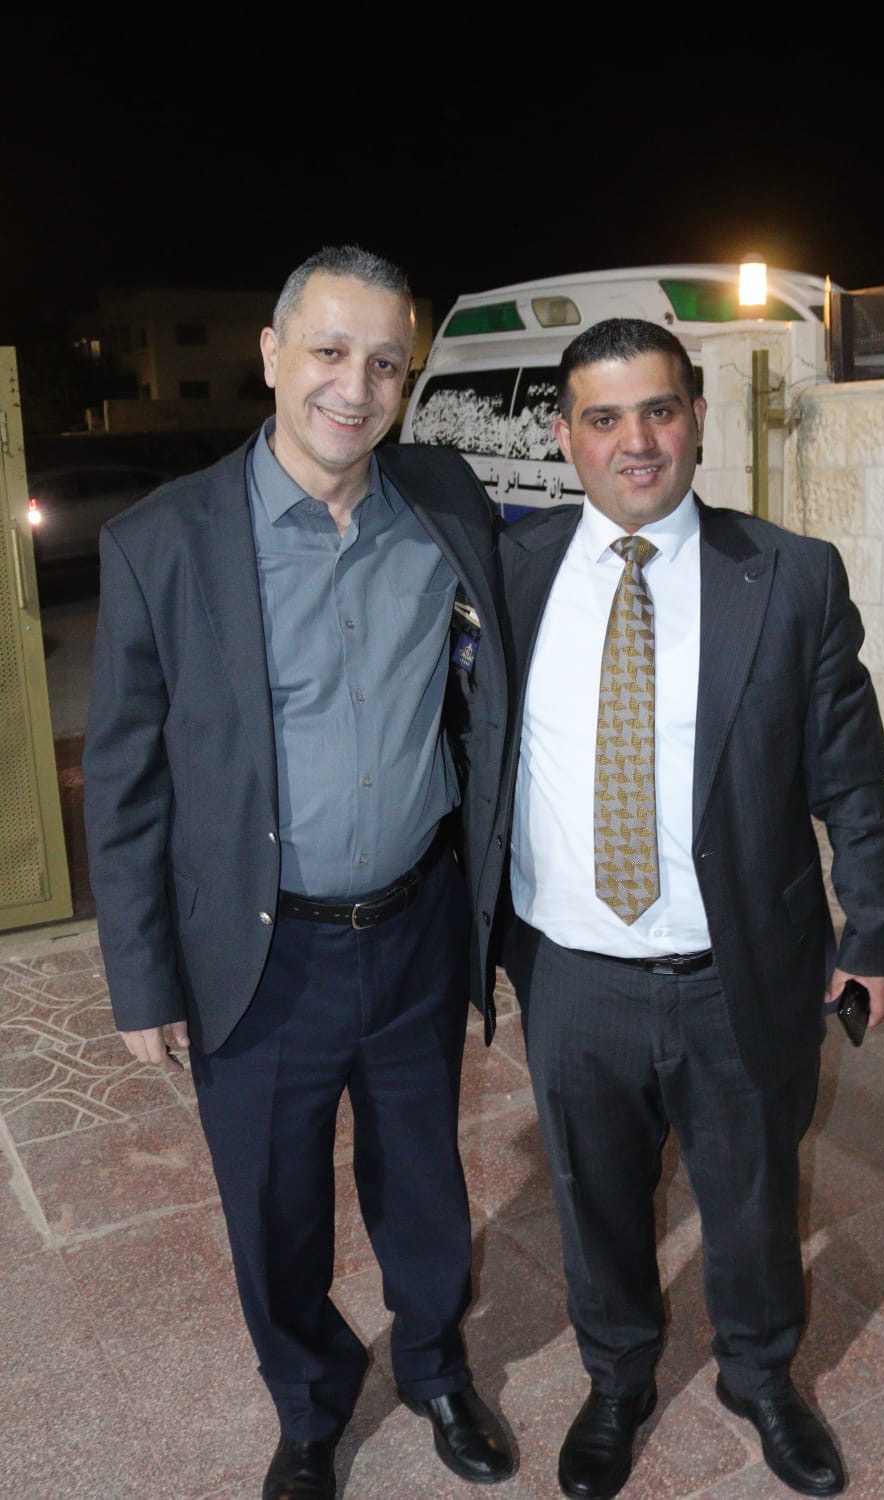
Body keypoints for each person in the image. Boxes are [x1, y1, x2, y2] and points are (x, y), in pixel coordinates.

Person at [83, 245, 514, 1500]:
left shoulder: (442, 498)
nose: (354, 386)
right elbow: (124, 778)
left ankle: (433, 1366)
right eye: (329, 351)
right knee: (273, 1210)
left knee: (422, 1180)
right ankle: (312, 1405)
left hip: (418, 924)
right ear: (271, 354)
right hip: (259, 953)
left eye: (385, 362)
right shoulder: (162, 541)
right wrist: (141, 979)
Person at [495, 319, 884, 1500]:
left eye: (659, 410)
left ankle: (760, 1376)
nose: (636, 441)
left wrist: (874, 932)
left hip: (741, 971)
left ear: (697, 419)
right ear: (564, 436)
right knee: (594, 1203)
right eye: (603, 417)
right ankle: (617, 1379)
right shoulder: (510, 572)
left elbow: (851, 779)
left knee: (753, 1200)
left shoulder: (789, 575)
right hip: (572, 975)